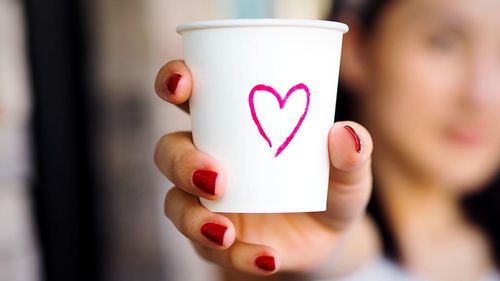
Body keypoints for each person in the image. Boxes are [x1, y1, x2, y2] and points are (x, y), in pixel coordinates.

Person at [153, 0, 500, 280]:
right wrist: (311, 240)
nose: (482, 93)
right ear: (353, 51)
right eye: (444, 42)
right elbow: (346, 249)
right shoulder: (333, 249)